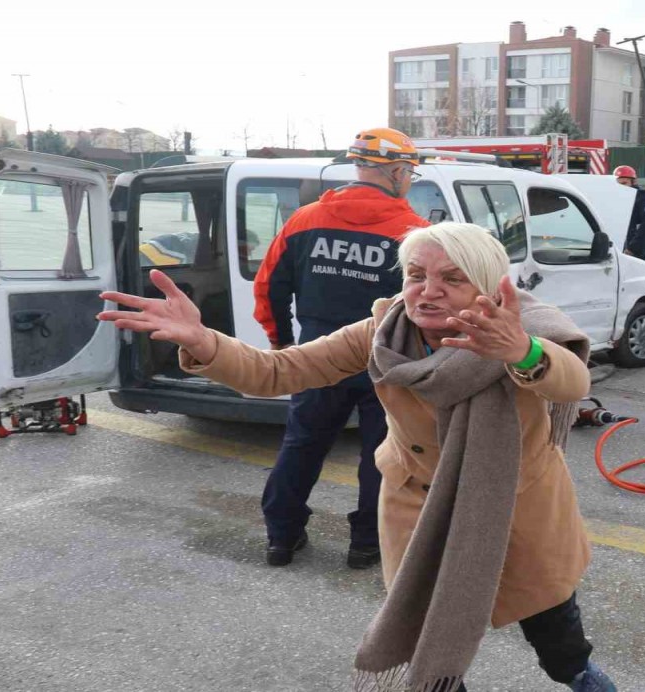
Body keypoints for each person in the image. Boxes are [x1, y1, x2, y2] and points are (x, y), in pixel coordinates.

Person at [99, 222, 617, 692]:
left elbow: (572, 381)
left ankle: (580, 676)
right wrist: (203, 341)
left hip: (516, 505)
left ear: (487, 286)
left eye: (452, 278)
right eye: (416, 275)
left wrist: (521, 351)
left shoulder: (521, 329)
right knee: (423, 640)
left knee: (553, 625)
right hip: (417, 507)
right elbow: (278, 371)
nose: (428, 290)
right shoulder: (383, 332)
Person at [251, 127, 431, 569]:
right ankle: (367, 543)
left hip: (317, 356)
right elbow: (427, 305)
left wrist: (282, 344)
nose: (409, 180)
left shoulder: (304, 220)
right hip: (386, 360)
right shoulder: (416, 234)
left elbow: (270, 287)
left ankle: (281, 537)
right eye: (409, 172)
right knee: (383, 455)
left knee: (302, 445)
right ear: (395, 171)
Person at [613, 165, 645, 260]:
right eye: (618, 184)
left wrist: (632, 248)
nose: (621, 187)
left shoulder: (643, 198)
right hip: (621, 248)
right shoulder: (619, 198)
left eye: (624, 183)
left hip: (634, 251)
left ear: (634, 182)